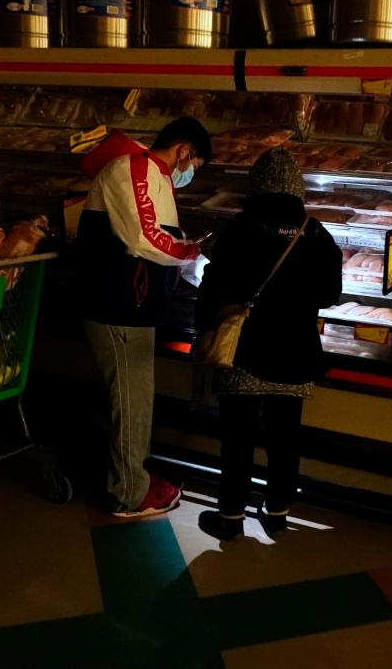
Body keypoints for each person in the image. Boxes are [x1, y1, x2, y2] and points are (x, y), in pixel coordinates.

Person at [193, 148, 342, 540]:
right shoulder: (316, 231)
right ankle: (277, 512)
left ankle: (229, 517)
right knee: (285, 438)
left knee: (238, 438)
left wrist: (203, 327)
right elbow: (331, 293)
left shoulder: (242, 227)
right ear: (297, 186)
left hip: (245, 350)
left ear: (257, 184)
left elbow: (215, 282)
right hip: (296, 351)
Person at [77, 117, 211, 517]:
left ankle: (134, 476)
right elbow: (142, 238)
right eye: (196, 164)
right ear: (185, 149)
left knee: (137, 400)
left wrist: (196, 265)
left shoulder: (154, 177)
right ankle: (128, 495)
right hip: (117, 306)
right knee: (132, 402)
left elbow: (160, 238)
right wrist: (189, 253)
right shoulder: (134, 167)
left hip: (134, 306)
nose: (190, 172)